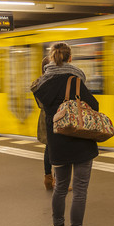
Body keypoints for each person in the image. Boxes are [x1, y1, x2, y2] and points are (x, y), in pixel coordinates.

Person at [31, 42, 97, 226]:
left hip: (56, 142)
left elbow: (45, 108)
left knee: (60, 188)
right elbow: (93, 106)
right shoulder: (75, 79)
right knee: (79, 190)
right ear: (70, 58)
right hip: (79, 140)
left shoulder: (41, 84)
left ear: (52, 58)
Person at [32, 56, 82, 191]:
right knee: (59, 148)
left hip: (44, 118)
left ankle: (48, 179)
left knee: (49, 148)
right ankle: (59, 182)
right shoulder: (52, 83)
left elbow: (41, 104)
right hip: (57, 117)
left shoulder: (38, 83)